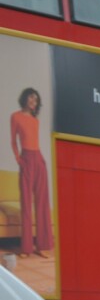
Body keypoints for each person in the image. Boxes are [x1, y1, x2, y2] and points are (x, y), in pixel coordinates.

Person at [9, 88, 52, 258]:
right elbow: (13, 141)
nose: (33, 101)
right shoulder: (15, 117)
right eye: (31, 98)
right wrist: (19, 159)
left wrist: (40, 160)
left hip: (38, 159)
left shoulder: (35, 121)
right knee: (26, 203)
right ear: (25, 98)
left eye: (36, 99)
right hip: (26, 158)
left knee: (42, 203)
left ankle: (42, 245)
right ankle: (26, 247)